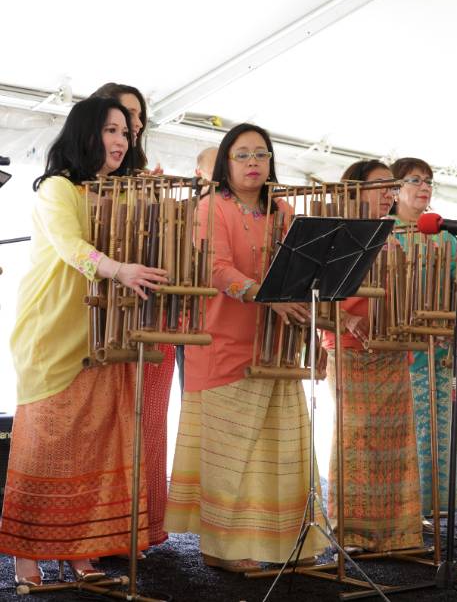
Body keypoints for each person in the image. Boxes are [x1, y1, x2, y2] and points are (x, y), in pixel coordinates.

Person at [0, 96, 169, 585]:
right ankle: (25, 557)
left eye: (125, 133)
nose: (121, 141)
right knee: (44, 443)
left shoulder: (114, 191)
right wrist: (120, 270)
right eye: (111, 131)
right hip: (53, 329)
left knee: (90, 444)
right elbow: (73, 248)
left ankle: (78, 552)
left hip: (102, 331)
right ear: (85, 134)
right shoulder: (57, 188)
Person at [164, 123, 325, 571]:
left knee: (282, 448)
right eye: (242, 155)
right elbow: (213, 267)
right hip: (221, 341)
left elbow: (301, 271)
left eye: (261, 154)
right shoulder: (210, 207)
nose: (253, 163)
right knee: (233, 452)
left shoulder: (284, 212)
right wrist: (265, 295)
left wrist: (309, 326)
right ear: (225, 164)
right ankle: (221, 550)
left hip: (277, 344)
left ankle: (287, 545)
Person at [321, 159, 423, 553]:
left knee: (395, 440)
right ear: (354, 189)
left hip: (390, 351)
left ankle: (397, 532)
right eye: (380, 185)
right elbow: (316, 296)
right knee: (356, 440)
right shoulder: (337, 233)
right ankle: (349, 531)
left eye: (391, 187)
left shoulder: (393, 236)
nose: (388, 193)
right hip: (348, 352)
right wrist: (345, 320)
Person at [91, 82, 173, 549]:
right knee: (108, 423)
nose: (133, 127)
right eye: (122, 119)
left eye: (138, 119)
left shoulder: (146, 177)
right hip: (104, 316)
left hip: (152, 312)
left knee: (149, 422)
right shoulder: (79, 180)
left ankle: (142, 527)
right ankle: (103, 529)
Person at [389, 157, 457, 521]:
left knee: (444, 430)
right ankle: (404, 510)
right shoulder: (384, 232)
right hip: (401, 350)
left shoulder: (447, 237)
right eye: (414, 180)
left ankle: (437, 511)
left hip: (444, 350)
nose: (424, 187)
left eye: (428, 181)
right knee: (409, 432)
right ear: (394, 189)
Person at [174, 146, 220, 394]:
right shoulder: (182, 211)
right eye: (216, 170)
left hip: (229, 320)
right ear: (199, 173)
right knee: (193, 401)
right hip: (191, 322)